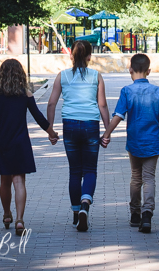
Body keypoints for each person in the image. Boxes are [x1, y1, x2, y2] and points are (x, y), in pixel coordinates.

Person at [0, 58, 59, 236]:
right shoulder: (25, 93)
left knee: (5, 181)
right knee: (19, 182)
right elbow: (39, 117)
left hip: (2, 142)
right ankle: (19, 220)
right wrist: (52, 133)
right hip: (21, 142)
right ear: (20, 74)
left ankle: (7, 214)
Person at [100, 53, 159, 234]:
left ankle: (135, 213)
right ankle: (147, 212)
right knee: (149, 178)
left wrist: (106, 133)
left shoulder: (126, 91)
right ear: (149, 71)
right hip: (153, 143)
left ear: (130, 69)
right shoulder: (157, 91)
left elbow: (118, 115)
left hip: (134, 142)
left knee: (136, 177)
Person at [46, 40, 110, 232]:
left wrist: (51, 130)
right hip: (91, 125)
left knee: (75, 171)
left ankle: (76, 215)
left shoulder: (62, 76)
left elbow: (51, 104)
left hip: (70, 125)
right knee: (90, 169)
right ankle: (85, 205)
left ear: (71, 56)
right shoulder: (96, 76)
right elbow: (103, 105)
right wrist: (107, 131)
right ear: (90, 57)